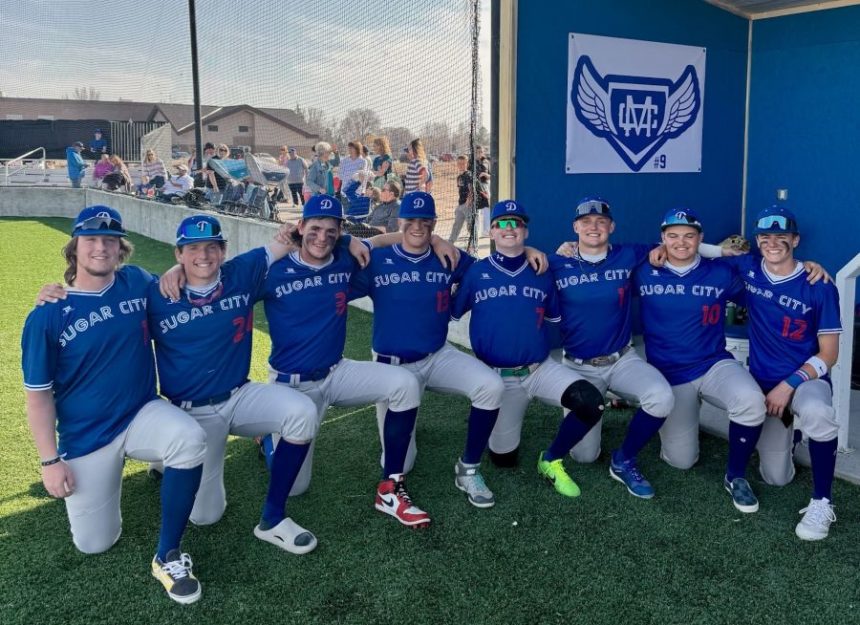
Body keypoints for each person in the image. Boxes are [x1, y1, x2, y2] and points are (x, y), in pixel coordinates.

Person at [22, 206, 206, 604]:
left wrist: (175, 272)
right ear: (74, 248)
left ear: (121, 249)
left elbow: (175, 287)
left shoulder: (136, 281)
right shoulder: (48, 314)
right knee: (94, 544)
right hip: (88, 437)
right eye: (91, 240)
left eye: (110, 240)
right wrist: (50, 461)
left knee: (189, 438)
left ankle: (167, 554)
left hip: (140, 412)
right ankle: (115, 472)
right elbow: (37, 396)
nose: (101, 248)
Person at [146, 215, 323, 553]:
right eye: (193, 248)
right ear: (178, 254)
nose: (204, 255)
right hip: (191, 413)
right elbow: (105, 293)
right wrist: (57, 293)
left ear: (224, 250)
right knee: (205, 516)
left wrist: (363, 240)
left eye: (212, 247)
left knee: (301, 411)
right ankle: (165, 457)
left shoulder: (242, 271)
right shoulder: (157, 294)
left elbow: (294, 236)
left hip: (239, 394)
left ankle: (273, 518)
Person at [259, 194, 433, 527]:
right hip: (292, 385)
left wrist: (435, 240)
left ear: (340, 231)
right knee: (296, 487)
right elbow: (227, 283)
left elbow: (388, 238)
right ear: (300, 226)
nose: (322, 237)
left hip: (337, 372)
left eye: (331, 230)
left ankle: (390, 487)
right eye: (315, 228)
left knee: (404, 384)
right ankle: (268, 437)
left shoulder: (343, 257)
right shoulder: (275, 269)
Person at [350, 192, 508, 507]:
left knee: (491, 386)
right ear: (400, 221)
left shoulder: (448, 255)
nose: (418, 227)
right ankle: (405, 428)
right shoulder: (379, 259)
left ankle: (468, 468)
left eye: (426, 222)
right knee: (400, 465)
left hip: (438, 356)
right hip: (392, 366)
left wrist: (529, 249)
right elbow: (333, 261)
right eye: (411, 220)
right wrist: (371, 242)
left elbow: (494, 269)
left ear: (434, 223)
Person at [451, 200, 606, 498]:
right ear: (492, 231)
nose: (510, 229)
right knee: (503, 459)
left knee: (591, 403)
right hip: (499, 378)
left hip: (539, 369)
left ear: (526, 231)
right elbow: (453, 313)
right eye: (503, 224)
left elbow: (554, 316)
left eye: (517, 224)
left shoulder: (542, 270)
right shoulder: (476, 272)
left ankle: (550, 460)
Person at [634, 208, 767, 513]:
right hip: (669, 373)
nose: (681, 242)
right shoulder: (643, 268)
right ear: (662, 239)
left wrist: (806, 268)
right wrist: (569, 247)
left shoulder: (721, 271)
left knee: (750, 399)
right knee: (682, 461)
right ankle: (669, 418)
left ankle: (735, 476)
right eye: (673, 236)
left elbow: (764, 292)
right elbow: (603, 262)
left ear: (701, 239)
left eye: (689, 236)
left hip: (712, 364)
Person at [724, 206, 842, 539]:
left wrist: (788, 385)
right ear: (757, 241)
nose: (773, 243)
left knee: (819, 411)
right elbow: (691, 254)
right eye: (765, 237)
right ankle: (790, 436)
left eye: (781, 237)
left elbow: (829, 355)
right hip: (761, 378)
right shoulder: (748, 267)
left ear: (795, 240)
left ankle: (822, 502)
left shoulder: (818, 284)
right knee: (776, 477)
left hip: (803, 378)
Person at [447, 155, 472, 244]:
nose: (461, 165)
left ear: (467, 164)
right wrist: (460, 204)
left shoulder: (469, 175)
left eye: (463, 164)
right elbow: (460, 190)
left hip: (468, 205)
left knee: (471, 226)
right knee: (456, 225)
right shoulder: (459, 177)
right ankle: (450, 242)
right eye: (459, 164)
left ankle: (473, 243)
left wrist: (468, 202)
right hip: (461, 205)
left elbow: (471, 189)